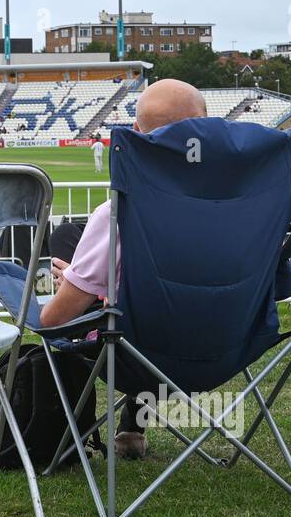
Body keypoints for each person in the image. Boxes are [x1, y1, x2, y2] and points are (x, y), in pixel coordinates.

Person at [39, 79, 209, 460]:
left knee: (92, 292)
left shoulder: (118, 214)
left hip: (138, 353)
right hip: (230, 344)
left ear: (136, 136)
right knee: (71, 235)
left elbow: (52, 321)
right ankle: (133, 422)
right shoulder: (251, 207)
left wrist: (74, 287)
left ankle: (66, 431)